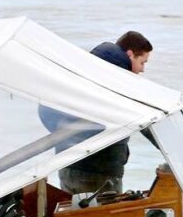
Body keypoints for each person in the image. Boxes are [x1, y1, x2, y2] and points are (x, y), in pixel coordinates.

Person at [57, 31, 155, 194]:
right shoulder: (118, 81)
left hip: (66, 165)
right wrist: (175, 151)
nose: (142, 69)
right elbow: (144, 119)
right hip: (99, 173)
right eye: (142, 62)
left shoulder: (88, 72)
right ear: (130, 54)